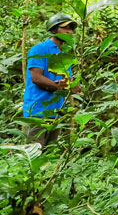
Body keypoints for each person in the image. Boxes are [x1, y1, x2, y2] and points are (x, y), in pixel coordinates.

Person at [24, 13, 81, 147]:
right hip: (37, 111)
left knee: (50, 155)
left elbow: (65, 81)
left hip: (56, 112)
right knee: (34, 152)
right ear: (54, 30)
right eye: (64, 28)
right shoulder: (39, 49)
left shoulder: (64, 55)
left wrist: (73, 86)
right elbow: (36, 78)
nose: (69, 31)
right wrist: (58, 86)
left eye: (71, 29)